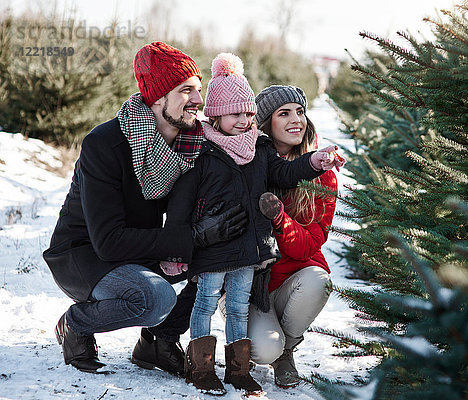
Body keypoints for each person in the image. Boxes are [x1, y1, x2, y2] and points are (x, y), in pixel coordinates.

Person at [42, 42, 248, 374]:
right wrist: (194, 237)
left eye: (199, 89)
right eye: (186, 91)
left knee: (219, 258)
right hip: (85, 255)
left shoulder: (190, 143)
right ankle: (76, 324)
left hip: (139, 247)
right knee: (155, 298)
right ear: (158, 98)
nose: (199, 100)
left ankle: (158, 342)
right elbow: (108, 241)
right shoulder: (105, 144)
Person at [161, 53, 344, 396]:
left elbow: (285, 174)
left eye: (248, 113)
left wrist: (316, 162)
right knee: (204, 303)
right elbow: (182, 205)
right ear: (214, 115)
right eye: (236, 113)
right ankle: (200, 367)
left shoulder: (259, 148)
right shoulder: (203, 152)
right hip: (215, 249)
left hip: (250, 249)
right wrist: (178, 245)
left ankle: (239, 370)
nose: (244, 120)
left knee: (236, 309)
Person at [246, 84, 340, 388]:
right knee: (262, 351)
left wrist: (278, 216)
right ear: (266, 123)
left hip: (295, 279)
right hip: (252, 286)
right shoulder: (248, 167)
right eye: (284, 113)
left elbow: (307, 247)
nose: (295, 119)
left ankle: (286, 351)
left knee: (318, 281)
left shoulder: (322, 175)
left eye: (300, 112)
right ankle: (267, 343)